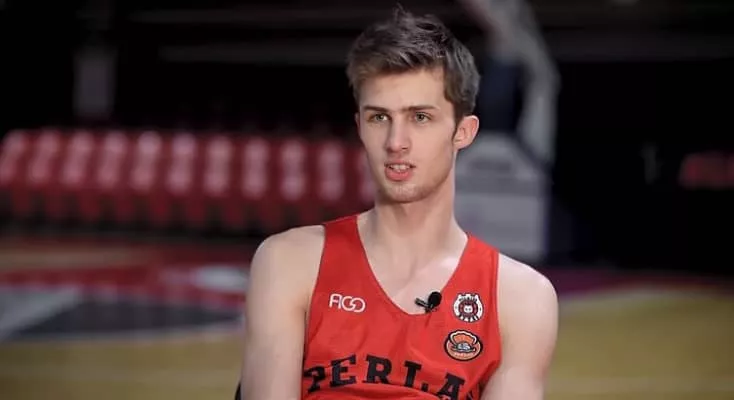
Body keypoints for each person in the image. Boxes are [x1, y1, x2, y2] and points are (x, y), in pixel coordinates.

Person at [240, 7, 558, 400]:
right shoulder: (290, 263)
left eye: (420, 117)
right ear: (360, 126)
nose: (396, 142)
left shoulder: (520, 298)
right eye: (379, 118)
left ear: (463, 132)